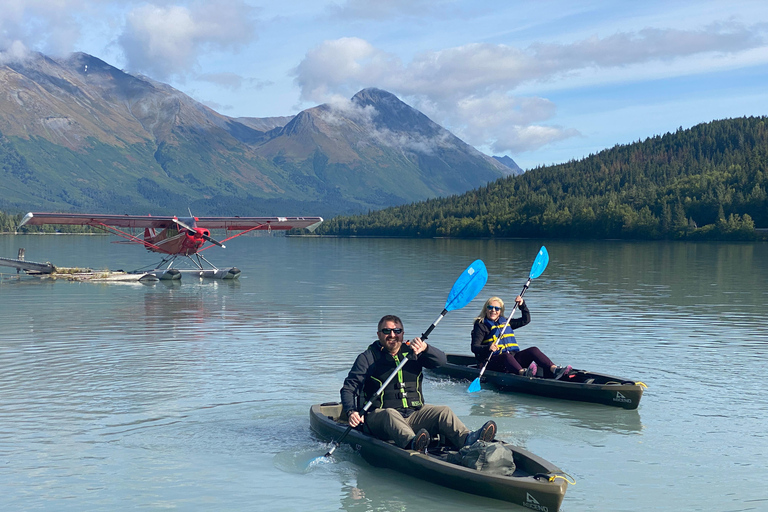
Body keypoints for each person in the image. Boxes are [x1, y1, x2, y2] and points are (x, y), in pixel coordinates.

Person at [341, 314, 496, 452]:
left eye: (397, 331)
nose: (392, 335)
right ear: (379, 334)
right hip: (379, 418)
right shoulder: (367, 358)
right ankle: (412, 444)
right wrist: (351, 412)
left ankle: (467, 439)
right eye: (386, 331)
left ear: (403, 333)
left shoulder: (413, 352)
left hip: (413, 413)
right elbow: (349, 388)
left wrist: (426, 348)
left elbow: (441, 361)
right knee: (390, 413)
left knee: (443, 411)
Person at [471, 296, 571, 379]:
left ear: (500, 311)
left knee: (533, 350)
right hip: (492, 363)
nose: (493, 310)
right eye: (490, 307)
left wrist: (522, 305)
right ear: (486, 309)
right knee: (506, 356)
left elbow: (526, 320)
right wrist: (488, 347)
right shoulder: (480, 325)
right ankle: (523, 373)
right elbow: (474, 347)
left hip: (512, 360)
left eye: (497, 308)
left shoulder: (506, 322)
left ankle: (554, 369)